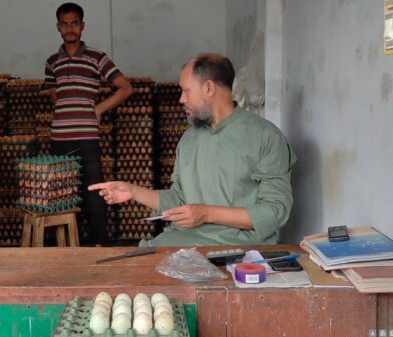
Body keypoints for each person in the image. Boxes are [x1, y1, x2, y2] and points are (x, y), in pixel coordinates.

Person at [89, 53, 296, 246]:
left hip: (237, 247)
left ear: (208, 88)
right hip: (185, 240)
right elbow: (179, 199)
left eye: (186, 90)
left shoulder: (265, 137)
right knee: (134, 266)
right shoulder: (188, 140)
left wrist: (206, 214)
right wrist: (133, 191)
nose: (181, 99)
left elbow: (275, 211)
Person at [45, 2, 133, 246]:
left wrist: (99, 108)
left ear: (82, 26)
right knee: (58, 194)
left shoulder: (98, 58)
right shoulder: (52, 62)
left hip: (87, 137)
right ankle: (60, 249)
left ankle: (99, 245)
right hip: (59, 138)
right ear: (58, 27)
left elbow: (126, 88)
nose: (70, 28)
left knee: (93, 192)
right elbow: (56, 99)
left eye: (74, 23)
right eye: (65, 24)